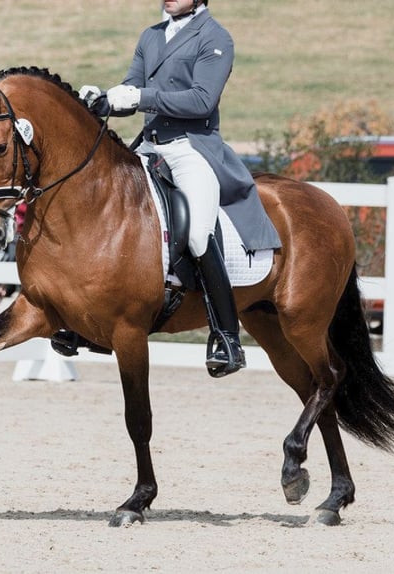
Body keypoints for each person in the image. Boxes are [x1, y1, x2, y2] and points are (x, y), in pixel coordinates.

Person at [76, 0, 281, 377]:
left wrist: (142, 97)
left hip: (191, 147)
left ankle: (227, 337)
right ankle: (85, 321)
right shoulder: (151, 35)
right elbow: (131, 89)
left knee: (200, 235)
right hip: (150, 145)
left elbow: (202, 100)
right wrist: (103, 99)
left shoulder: (215, 38)